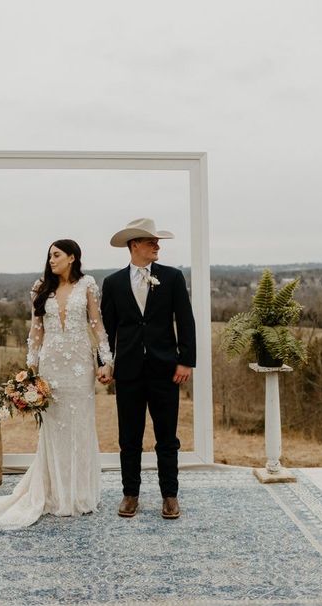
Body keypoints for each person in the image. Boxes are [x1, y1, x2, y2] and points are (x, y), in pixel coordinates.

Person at [0, 239, 113, 528]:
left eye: (57, 255)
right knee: (53, 429)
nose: (51, 260)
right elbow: (35, 331)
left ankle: (80, 494)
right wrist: (30, 370)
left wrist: (106, 360)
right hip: (51, 367)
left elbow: (97, 325)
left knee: (81, 425)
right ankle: (54, 493)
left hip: (80, 366)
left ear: (72, 258)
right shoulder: (41, 288)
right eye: (49, 255)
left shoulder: (88, 284)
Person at [100, 218, 196, 519]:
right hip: (128, 372)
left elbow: (186, 321)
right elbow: (107, 330)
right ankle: (130, 494)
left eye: (158, 242)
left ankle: (170, 496)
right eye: (151, 241)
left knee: (167, 437)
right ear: (134, 245)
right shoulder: (113, 283)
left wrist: (185, 360)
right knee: (129, 437)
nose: (157, 246)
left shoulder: (172, 278)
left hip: (165, 369)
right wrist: (105, 363)